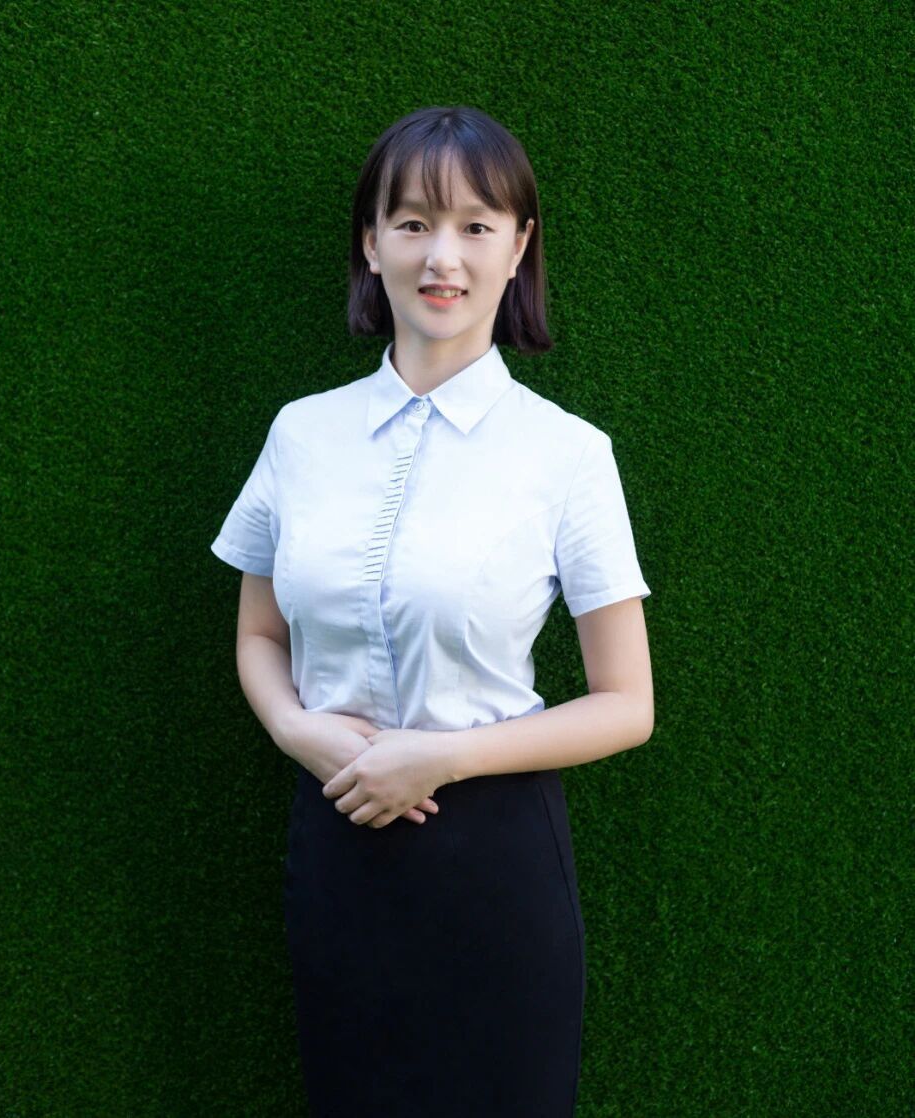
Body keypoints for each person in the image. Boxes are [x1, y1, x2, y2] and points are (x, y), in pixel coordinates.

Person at [210, 105, 654, 1117]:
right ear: (371, 244)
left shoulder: (567, 454)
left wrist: (442, 757)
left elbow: (626, 703)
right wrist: (295, 728)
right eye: (411, 223)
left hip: (495, 860)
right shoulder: (301, 435)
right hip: (337, 840)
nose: (441, 256)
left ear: (518, 248)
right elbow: (260, 633)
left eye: (474, 226)